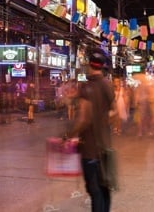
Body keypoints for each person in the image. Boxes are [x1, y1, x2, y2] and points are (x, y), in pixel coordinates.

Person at [68, 48, 115, 212]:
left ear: (89, 64)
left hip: (90, 148)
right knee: (104, 189)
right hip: (105, 146)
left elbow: (83, 119)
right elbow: (113, 112)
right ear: (102, 66)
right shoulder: (108, 85)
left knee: (94, 190)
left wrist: (67, 136)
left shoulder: (87, 87)